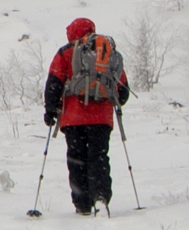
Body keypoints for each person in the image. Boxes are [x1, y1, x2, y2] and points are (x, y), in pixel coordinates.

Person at [43, 16, 130, 214]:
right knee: (99, 157)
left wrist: (50, 110)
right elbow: (123, 91)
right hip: (101, 119)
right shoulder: (106, 52)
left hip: (73, 119)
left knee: (77, 159)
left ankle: (82, 204)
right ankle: (100, 197)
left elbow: (54, 82)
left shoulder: (65, 52)